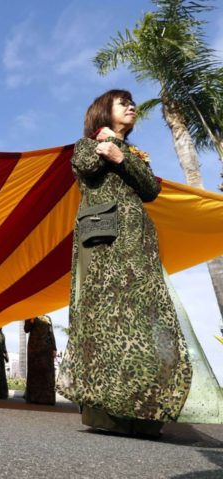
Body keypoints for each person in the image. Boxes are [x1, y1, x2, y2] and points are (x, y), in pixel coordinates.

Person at [56, 89, 192, 438]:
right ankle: (107, 415)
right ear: (104, 111)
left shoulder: (133, 153)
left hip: (138, 238)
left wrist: (121, 155)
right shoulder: (85, 145)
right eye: (123, 102)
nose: (131, 106)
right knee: (106, 317)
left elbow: (150, 190)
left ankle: (143, 412)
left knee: (141, 317)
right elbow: (84, 168)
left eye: (132, 103)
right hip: (102, 239)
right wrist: (107, 148)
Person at [24, 317, 56, 405]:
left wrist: (54, 348)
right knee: (35, 373)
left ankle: (47, 399)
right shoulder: (31, 315)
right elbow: (26, 329)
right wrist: (31, 321)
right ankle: (34, 398)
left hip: (47, 350)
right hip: (34, 349)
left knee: (47, 374)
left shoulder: (48, 318)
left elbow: (51, 333)